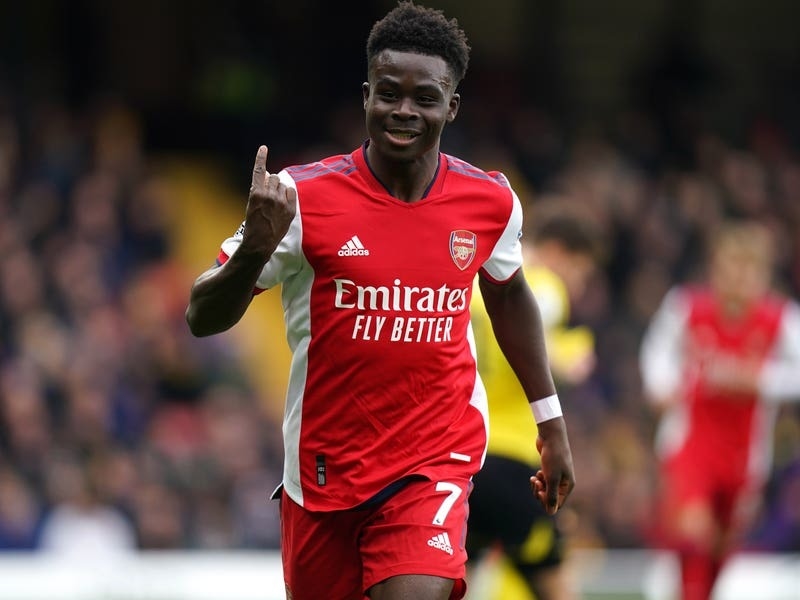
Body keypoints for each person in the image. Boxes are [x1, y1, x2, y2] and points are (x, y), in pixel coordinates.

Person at [184, 3, 575, 599]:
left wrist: (551, 422)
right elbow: (201, 315)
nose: (404, 110)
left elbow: (509, 292)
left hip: (434, 459)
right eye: (389, 93)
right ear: (367, 96)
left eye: (425, 98)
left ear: (452, 106)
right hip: (324, 473)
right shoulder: (299, 199)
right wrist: (251, 251)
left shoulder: (490, 202)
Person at [639, 220, 800, 600]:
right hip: (689, 444)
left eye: (749, 270)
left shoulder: (782, 319)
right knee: (694, 533)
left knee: (720, 549)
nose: (739, 279)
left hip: (745, 455)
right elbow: (657, 352)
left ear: (763, 275)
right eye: (732, 267)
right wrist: (661, 385)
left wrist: (761, 380)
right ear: (716, 269)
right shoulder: (686, 307)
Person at [467, 206, 602, 600]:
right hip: (516, 464)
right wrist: (566, 356)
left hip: (465, 459)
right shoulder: (540, 285)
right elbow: (537, 320)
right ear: (559, 252)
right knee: (554, 582)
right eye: (581, 273)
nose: (578, 286)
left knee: (455, 581)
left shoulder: (474, 282)